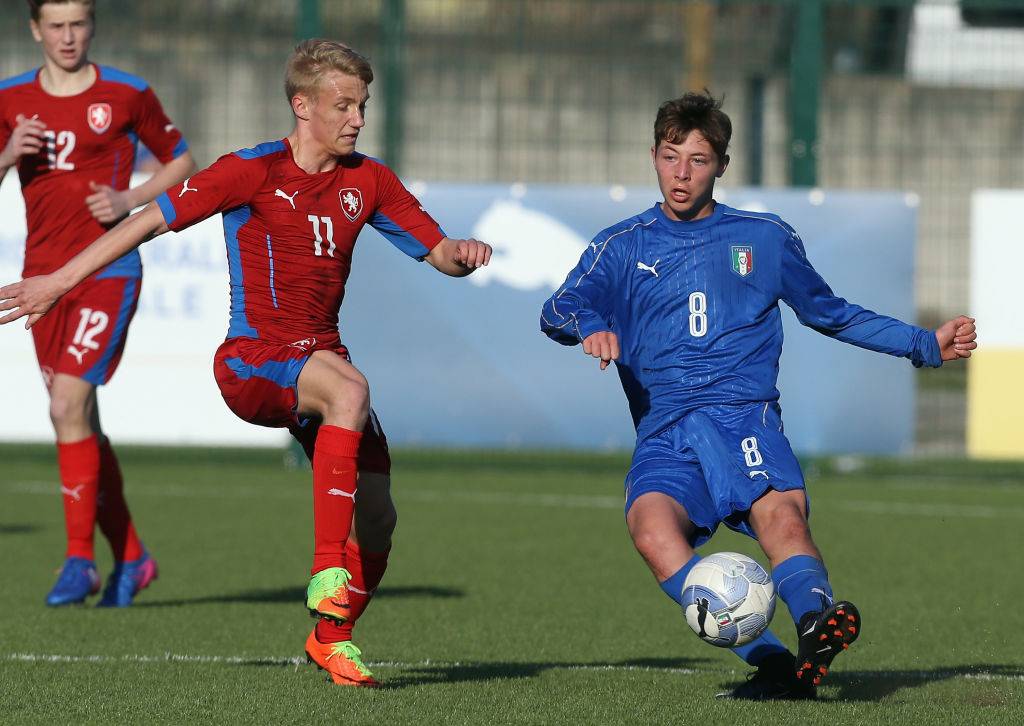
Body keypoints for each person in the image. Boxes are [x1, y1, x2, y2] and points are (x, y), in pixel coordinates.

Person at [1, 38, 491, 688]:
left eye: (363, 105)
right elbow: (146, 222)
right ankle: (325, 569)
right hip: (253, 361)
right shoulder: (252, 170)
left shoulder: (368, 180)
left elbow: (439, 254)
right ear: (302, 105)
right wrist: (59, 281)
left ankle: (331, 639)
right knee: (351, 389)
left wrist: (461, 250)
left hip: (320, 361)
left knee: (379, 516)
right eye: (344, 105)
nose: (357, 119)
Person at [539, 91, 977, 700]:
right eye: (670, 157)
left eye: (697, 160)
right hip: (665, 431)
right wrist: (589, 326)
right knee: (650, 531)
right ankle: (774, 662)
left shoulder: (763, 238)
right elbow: (559, 306)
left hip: (742, 415)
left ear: (721, 164)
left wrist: (925, 345)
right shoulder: (624, 244)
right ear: (653, 157)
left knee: (780, 517)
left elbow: (831, 313)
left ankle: (815, 624)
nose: (681, 173)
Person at [0, 0, 195, 607]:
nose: (67, 36)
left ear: (92, 26)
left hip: (108, 270)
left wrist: (128, 198)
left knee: (66, 404)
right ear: (35, 29)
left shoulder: (128, 93)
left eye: (77, 23)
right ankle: (133, 558)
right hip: (43, 279)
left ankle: (79, 561)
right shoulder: (8, 99)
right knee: (77, 418)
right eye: (54, 25)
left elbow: (183, 162)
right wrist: (9, 156)